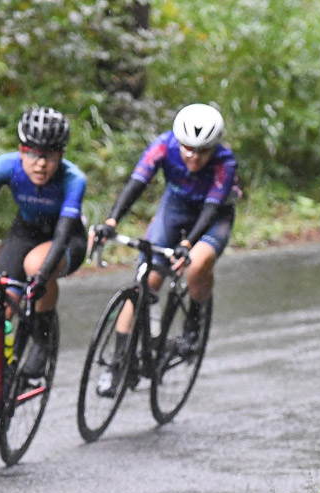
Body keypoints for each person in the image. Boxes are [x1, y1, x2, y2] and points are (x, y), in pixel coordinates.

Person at [92, 102, 240, 396]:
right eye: (188, 149)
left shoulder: (225, 162)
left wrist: (187, 244)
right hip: (174, 208)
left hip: (213, 217)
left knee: (197, 265)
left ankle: (193, 325)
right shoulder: (163, 146)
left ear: (214, 147)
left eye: (203, 151)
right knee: (145, 283)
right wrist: (111, 220)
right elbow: (137, 183)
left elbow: (211, 208)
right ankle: (120, 364)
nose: (194, 157)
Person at [0, 106, 88, 380]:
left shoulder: (73, 179)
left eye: (50, 156)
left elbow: (61, 236)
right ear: (21, 151)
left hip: (65, 238)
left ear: (62, 155)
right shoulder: (3, 166)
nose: (41, 164)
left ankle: (42, 338)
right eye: (33, 154)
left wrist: (41, 278)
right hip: (25, 231)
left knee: (36, 266)